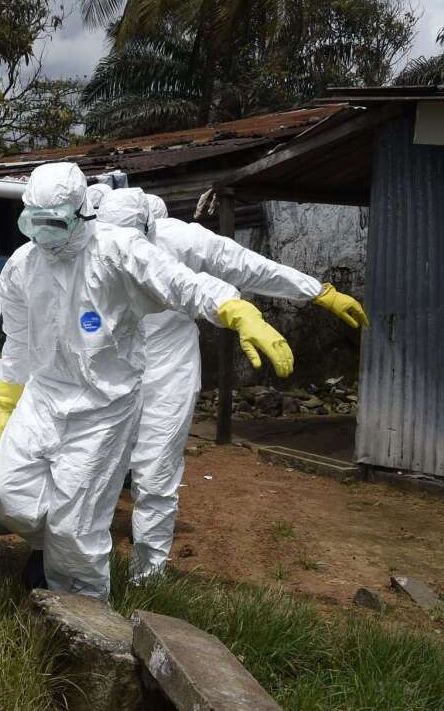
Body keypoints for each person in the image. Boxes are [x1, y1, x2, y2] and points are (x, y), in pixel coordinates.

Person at [0, 163, 294, 600]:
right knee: (2, 494)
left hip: (103, 408)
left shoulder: (116, 250)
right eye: (35, 222)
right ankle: (50, 552)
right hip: (45, 397)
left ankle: (87, 618)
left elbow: (180, 282)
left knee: (75, 528)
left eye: (55, 223)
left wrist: (234, 310)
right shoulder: (22, 266)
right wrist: (6, 399)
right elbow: (17, 338)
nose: (44, 234)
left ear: (81, 213)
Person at [97, 187, 369, 582]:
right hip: (112, 364)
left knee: (156, 471)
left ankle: (147, 577)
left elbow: (246, 265)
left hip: (167, 367)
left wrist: (317, 290)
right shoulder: (95, 243)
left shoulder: (179, 239)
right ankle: (82, 567)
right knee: (94, 462)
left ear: (149, 227)